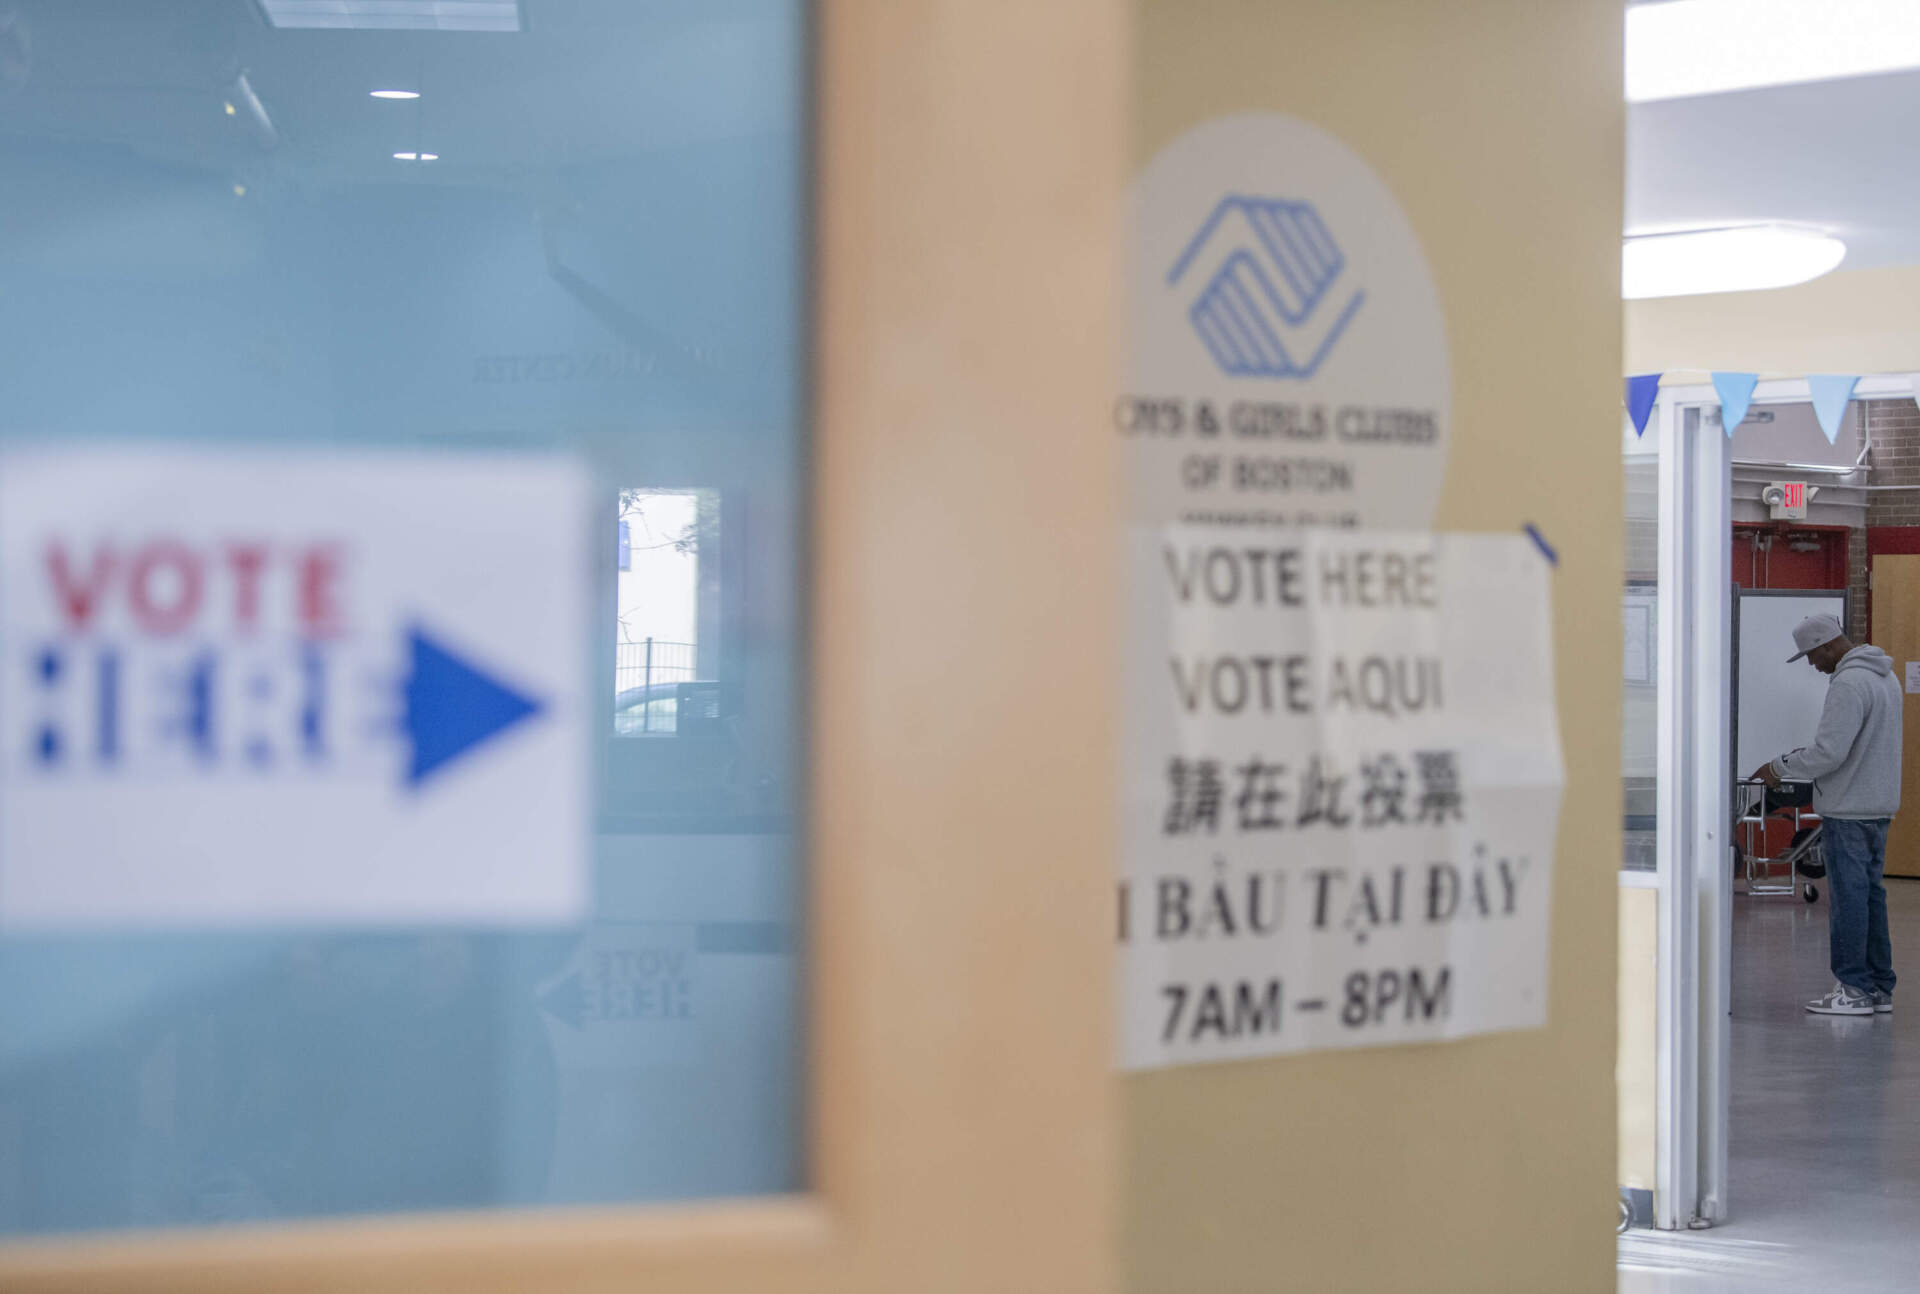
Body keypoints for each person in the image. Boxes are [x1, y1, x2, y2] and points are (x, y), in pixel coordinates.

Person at [1750, 614, 1903, 1016]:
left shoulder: (1850, 683)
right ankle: (1877, 988)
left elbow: (1830, 753)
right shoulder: (1885, 678)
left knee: (1850, 900)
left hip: (1849, 810)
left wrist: (1778, 767)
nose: (1811, 664)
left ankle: (1852, 989)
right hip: (1877, 805)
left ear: (1826, 644)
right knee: (1870, 897)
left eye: (1811, 655)